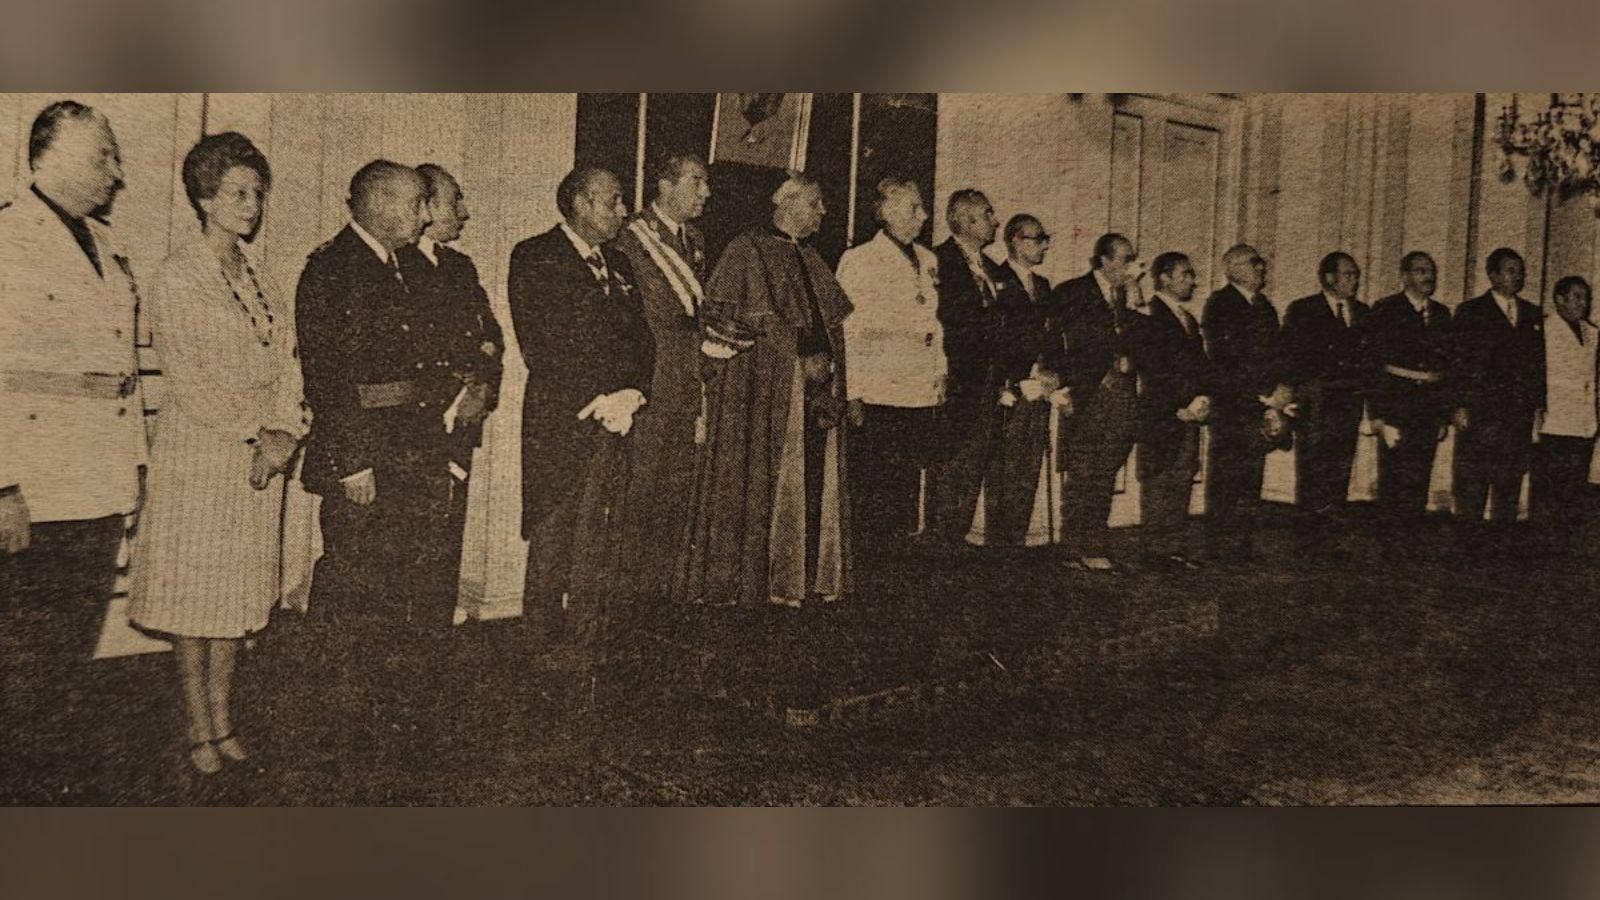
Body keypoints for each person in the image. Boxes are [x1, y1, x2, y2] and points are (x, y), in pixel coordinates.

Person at [126, 132, 307, 777]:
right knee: (194, 594)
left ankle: (224, 719)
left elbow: (287, 363)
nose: (251, 205)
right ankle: (197, 726)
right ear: (204, 199)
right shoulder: (177, 276)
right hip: (202, 454)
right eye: (237, 193)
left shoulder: (260, 277)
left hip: (259, 460)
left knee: (234, 596)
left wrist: (282, 432)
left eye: (257, 193)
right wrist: (256, 434)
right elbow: (191, 381)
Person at [0, 101, 144, 800]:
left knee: (69, 645)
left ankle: (47, 788)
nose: (116, 173)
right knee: (22, 655)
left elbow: (117, 366)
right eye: (102, 157)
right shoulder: (10, 237)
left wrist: (133, 466)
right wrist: (2, 487)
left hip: (97, 474)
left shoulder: (105, 244)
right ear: (47, 156)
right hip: (35, 481)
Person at [294, 160, 454, 768]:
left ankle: (379, 712)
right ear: (380, 202)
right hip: (363, 454)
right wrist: (352, 462)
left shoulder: (401, 265)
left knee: (395, 581)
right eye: (416, 203)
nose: (425, 216)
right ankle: (333, 716)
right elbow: (328, 375)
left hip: (408, 448)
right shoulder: (332, 267)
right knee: (351, 580)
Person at [678, 172, 852, 721]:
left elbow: (828, 327)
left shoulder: (812, 258)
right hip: (770, 404)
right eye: (816, 202)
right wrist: (797, 361)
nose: (823, 212)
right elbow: (734, 327)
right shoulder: (745, 252)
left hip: (814, 402)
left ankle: (803, 585)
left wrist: (828, 375)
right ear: (786, 204)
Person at [509, 168, 652, 672]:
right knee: (554, 527)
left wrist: (633, 393)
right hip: (563, 419)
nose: (623, 211)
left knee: (601, 531)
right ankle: (540, 644)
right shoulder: (535, 256)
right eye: (613, 201)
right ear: (581, 203)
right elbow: (543, 343)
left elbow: (641, 337)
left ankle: (587, 640)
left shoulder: (620, 263)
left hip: (618, 417)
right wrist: (599, 397)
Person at [610, 153, 712, 604]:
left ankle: (658, 597)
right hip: (652, 383)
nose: (706, 192)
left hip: (688, 383)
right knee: (639, 493)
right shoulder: (631, 237)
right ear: (664, 186)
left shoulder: (695, 239)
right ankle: (625, 599)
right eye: (696, 181)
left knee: (675, 492)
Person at [397, 163, 504, 582]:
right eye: (454, 200)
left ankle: (435, 623)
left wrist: (482, 390)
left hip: (460, 424)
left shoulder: (460, 266)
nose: (464, 212)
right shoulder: (395, 261)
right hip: (413, 430)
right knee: (407, 546)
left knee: (446, 541)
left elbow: (490, 336)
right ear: (426, 204)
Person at [837, 178, 945, 553]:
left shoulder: (928, 260)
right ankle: (868, 566)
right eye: (915, 208)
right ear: (888, 212)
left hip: (917, 390)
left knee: (904, 485)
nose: (924, 216)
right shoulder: (860, 260)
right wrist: (852, 393)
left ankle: (895, 564)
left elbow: (933, 323)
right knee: (873, 487)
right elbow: (848, 331)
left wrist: (940, 371)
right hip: (879, 393)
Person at [1056, 232, 1144, 572]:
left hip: (1122, 396)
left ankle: (1093, 543)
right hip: (1089, 395)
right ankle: (1073, 548)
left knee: (1105, 473)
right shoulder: (1074, 291)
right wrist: (1080, 382)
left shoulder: (1127, 296)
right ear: (1105, 260)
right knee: (1083, 473)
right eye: (1126, 259)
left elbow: (1144, 340)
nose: (1132, 266)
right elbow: (1061, 344)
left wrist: (1135, 299)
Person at [1200, 244, 1291, 564]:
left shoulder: (1264, 306)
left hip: (1260, 404)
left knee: (1252, 475)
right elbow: (1227, 358)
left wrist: (1278, 391)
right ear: (1233, 269)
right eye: (1255, 262)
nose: (1262, 268)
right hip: (1232, 405)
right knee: (1227, 476)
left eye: (1261, 262)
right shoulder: (1220, 304)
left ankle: (1242, 544)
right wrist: (1259, 392)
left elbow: (1277, 353)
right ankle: (1220, 546)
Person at [1451, 248, 1545, 551]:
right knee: (1474, 479)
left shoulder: (1532, 313)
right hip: (1481, 411)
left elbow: (1538, 365)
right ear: (1492, 275)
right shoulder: (1470, 311)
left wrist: (1538, 406)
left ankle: (1501, 545)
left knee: (1509, 478)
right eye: (1510, 270)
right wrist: (1459, 405)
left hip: (1517, 414)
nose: (1517, 276)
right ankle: (1468, 545)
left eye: (1520, 271)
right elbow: (1458, 363)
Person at [983, 214, 1066, 547]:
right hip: (1010, 391)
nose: (1045, 245)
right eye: (1038, 238)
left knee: (1028, 467)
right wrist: (1026, 371)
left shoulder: (1043, 286)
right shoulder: (994, 279)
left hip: (1039, 392)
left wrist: (1054, 373)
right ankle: (999, 548)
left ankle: (1015, 545)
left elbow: (1054, 337)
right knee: (1003, 470)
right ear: (1016, 241)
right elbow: (994, 339)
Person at [1280, 252, 1371, 555]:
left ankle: (1332, 539)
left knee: (1340, 467)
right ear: (1329, 278)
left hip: (1348, 403)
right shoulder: (1303, 310)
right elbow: (1292, 357)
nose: (1354, 280)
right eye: (1348, 274)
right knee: (1313, 467)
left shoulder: (1362, 312)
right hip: (1317, 403)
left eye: (1356, 275)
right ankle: (1308, 540)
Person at [1126, 252, 1211, 569]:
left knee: (1182, 477)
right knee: (1160, 479)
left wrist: (1202, 399)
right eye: (1185, 274)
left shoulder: (1187, 318)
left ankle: (1172, 549)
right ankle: (1155, 552)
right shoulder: (1150, 315)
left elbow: (1200, 366)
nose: (1192, 280)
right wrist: (1179, 406)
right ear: (1164, 278)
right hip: (1163, 415)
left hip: (1190, 413)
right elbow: (1152, 367)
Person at [1364, 251, 1454, 551]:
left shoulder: (1441, 314)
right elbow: (1373, 365)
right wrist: (1379, 416)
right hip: (1396, 406)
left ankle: (1411, 541)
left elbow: (1445, 369)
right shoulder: (1385, 310)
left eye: (1431, 271)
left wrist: (1442, 415)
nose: (1428, 277)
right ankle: (1389, 544)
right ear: (1404, 277)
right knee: (1393, 476)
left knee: (1420, 474)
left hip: (1427, 409)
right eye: (1420, 271)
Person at [927, 189, 1002, 545]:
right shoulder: (936, 261)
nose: (995, 221)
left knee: (975, 461)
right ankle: (941, 542)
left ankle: (955, 539)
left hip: (988, 380)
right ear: (965, 220)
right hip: (955, 380)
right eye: (987, 214)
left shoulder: (992, 269)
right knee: (951, 460)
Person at [1532, 275, 1595, 552]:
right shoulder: (1544, 330)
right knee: (1550, 485)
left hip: (1583, 421)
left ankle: (1567, 543)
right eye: (1577, 297)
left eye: (1585, 298)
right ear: (1559, 299)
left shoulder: (1592, 332)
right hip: (1555, 420)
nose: (1583, 303)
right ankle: (1542, 543)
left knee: (1575, 484)